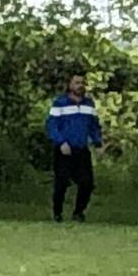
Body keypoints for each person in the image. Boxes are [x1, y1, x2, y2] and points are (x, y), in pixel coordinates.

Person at [46, 73, 103, 223]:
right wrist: (61, 142)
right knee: (62, 183)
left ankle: (79, 212)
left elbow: (94, 126)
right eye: (77, 83)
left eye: (82, 83)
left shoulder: (88, 104)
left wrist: (97, 143)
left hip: (81, 149)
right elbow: (52, 126)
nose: (80, 86)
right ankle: (57, 213)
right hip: (64, 150)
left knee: (87, 183)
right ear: (70, 85)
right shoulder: (60, 103)